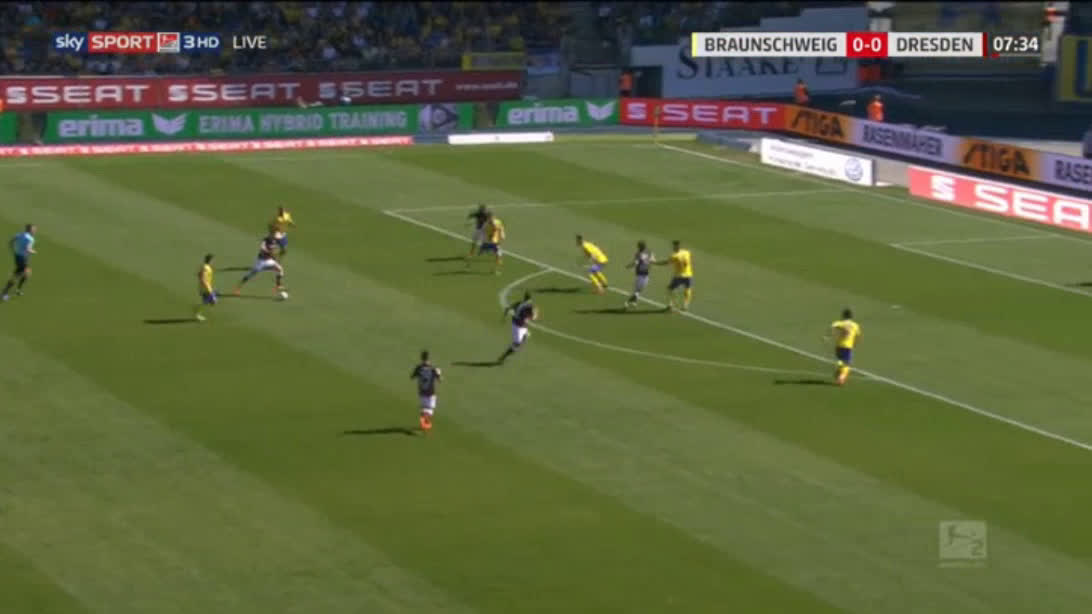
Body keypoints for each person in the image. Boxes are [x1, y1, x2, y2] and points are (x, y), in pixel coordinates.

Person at [498, 291, 538, 364]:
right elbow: (534, 318)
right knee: (517, 344)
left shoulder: (519, 303)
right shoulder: (530, 307)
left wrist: (504, 318)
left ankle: (520, 343)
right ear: (530, 299)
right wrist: (535, 314)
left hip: (517, 324)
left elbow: (507, 309)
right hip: (518, 327)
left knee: (527, 335)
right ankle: (503, 357)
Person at [656, 240, 693, 312]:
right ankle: (685, 305)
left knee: (670, 289)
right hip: (688, 274)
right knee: (687, 289)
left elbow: (665, 263)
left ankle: (670, 304)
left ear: (676, 246)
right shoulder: (687, 252)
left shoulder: (674, 256)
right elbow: (687, 261)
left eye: (673, 246)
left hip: (679, 276)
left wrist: (654, 262)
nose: (673, 247)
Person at [2, 224, 36, 302]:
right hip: (22, 259)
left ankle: (18, 289)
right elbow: (28, 249)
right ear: (30, 230)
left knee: (27, 274)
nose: (35, 231)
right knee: (16, 276)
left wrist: (13, 249)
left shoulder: (20, 234)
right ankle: (4, 294)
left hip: (18, 256)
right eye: (34, 229)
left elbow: (12, 240)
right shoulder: (30, 239)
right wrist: (33, 251)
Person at [410, 350, 443, 432]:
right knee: (430, 411)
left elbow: (412, 377)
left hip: (422, 392)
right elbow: (440, 380)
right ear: (429, 358)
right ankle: (423, 421)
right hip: (431, 393)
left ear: (421, 358)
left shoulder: (418, 368)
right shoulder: (433, 369)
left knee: (424, 409)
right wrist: (439, 374)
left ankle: (424, 421)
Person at [829, 309, 862, 386]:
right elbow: (858, 336)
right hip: (848, 347)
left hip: (839, 346)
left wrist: (828, 335)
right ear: (851, 316)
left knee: (841, 360)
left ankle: (839, 367)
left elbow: (833, 325)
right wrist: (855, 343)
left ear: (843, 316)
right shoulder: (855, 325)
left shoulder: (841, 323)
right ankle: (841, 378)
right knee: (847, 364)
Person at [624, 240, 654, 308]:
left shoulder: (638, 253)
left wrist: (628, 266)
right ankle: (628, 302)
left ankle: (633, 302)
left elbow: (636, 263)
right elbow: (652, 260)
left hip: (640, 275)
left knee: (637, 290)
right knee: (638, 290)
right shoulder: (649, 252)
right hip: (644, 274)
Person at [195, 253, 217, 322]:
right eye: (212, 260)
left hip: (205, 287)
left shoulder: (204, 266)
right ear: (210, 260)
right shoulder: (206, 268)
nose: (213, 262)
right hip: (205, 288)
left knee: (210, 301)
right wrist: (208, 288)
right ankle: (197, 312)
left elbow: (199, 274)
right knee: (210, 301)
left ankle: (197, 312)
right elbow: (203, 278)